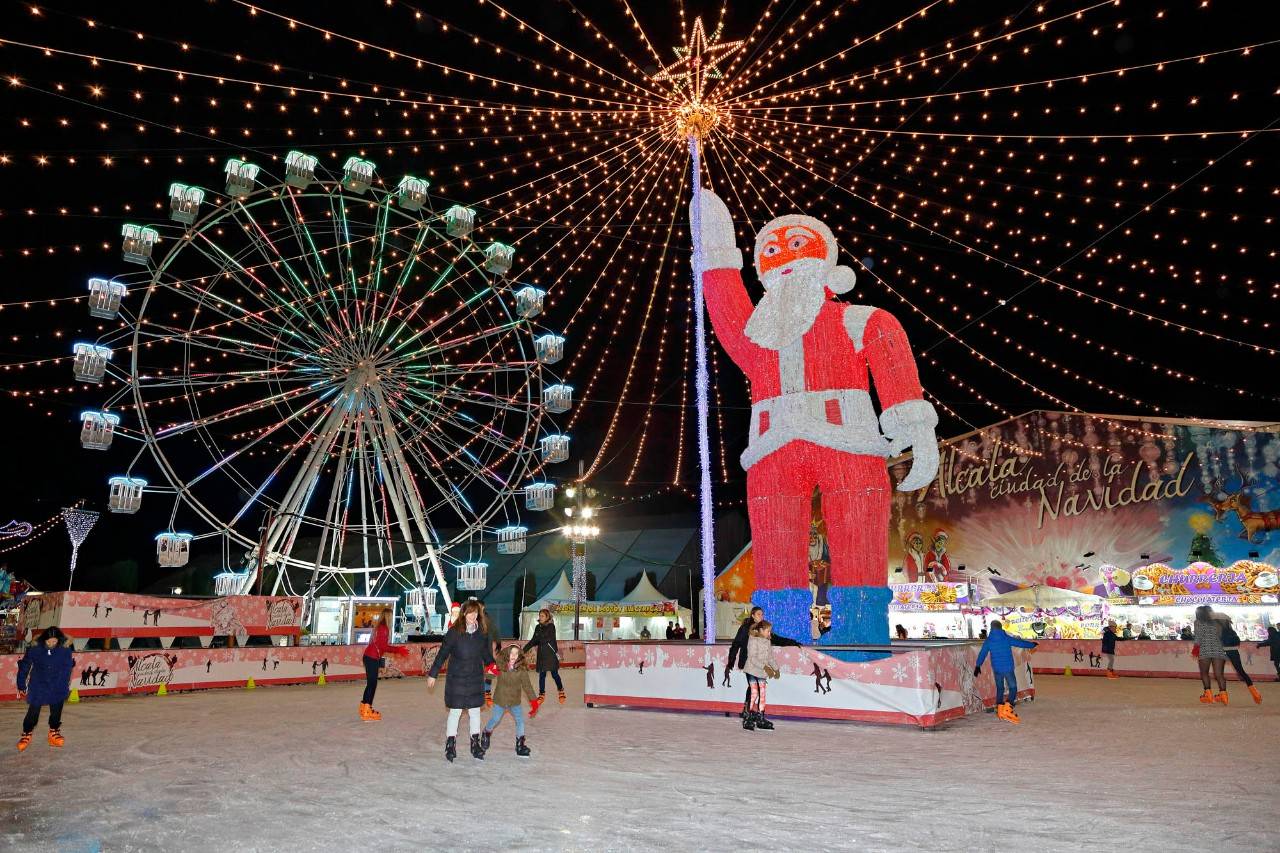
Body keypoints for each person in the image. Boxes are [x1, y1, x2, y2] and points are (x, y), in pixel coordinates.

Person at [428, 600, 497, 762]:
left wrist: (492, 665)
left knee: (474, 712)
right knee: (455, 712)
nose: (473, 616)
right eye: (470, 612)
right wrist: (433, 673)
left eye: (475, 613)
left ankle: (475, 744)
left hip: (474, 677)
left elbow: (485, 654)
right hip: (457, 678)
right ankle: (450, 744)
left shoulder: (481, 633)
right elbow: (442, 654)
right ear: (464, 613)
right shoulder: (454, 633)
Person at [727, 606, 800, 718]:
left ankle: (748, 710)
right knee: (753, 687)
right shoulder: (746, 628)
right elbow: (736, 643)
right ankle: (748, 711)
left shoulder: (764, 629)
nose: (761, 616)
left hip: (761, 663)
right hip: (749, 662)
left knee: (755, 687)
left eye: (762, 614)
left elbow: (776, 639)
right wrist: (731, 661)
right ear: (752, 615)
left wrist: (792, 642)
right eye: (758, 614)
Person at [16, 627, 74, 751]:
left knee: (57, 710)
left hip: (57, 684)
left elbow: (67, 668)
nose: (51, 644)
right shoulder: (35, 650)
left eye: (54, 642)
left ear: (59, 640)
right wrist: (21, 684)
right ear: (44, 640)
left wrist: (64, 684)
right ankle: (27, 733)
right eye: (49, 642)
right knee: (33, 711)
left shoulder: (65, 651)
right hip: (39, 684)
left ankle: (53, 732)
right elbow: (25, 666)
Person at [482, 644, 541, 758]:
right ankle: (486, 732)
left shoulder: (522, 670)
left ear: (519, 655)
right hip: (500, 700)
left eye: (516, 653)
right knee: (495, 719)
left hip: (515, 701)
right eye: (511, 653)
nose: (514, 656)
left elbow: (527, 686)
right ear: (507, 654)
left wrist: (534, 702)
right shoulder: (500, 665)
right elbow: (488, 678)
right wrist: (487, 692)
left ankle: (520, 745)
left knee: (520, 721)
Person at [973, 620, 1036, 724]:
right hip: (1007, 668)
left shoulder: (988, 640)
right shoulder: (1006, 638)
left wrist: (978, 665)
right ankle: (1008, 708)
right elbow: (1020, 643)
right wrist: (1032, 645)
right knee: (1013, 687)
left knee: (1000, 688)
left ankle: (1000, 709)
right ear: (1000, 627)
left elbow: (982, 653)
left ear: (991, 628)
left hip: (997, 669)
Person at [359, 607, 406, 721]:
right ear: (388, 617)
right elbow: (383, 646)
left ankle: (364, 707)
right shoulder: (384, 629)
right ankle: (367, 709)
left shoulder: (379, 627)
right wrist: (398, 650)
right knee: (372, 684)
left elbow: (380, 646)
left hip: (369, 656)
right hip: (372, 658)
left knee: (371, 683)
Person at [741, 620, 779, 731]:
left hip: (762, 672)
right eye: (768, 631)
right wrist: (766, 667)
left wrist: (776, 669)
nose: (769, 634)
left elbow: (770, 657)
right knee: (754, 692)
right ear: (761, 630)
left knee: (762, 694)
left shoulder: (767, 642)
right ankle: (747, 717)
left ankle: (760, 717)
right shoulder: (753, 641)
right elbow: (752, 658)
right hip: (752, 670)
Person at [1217, 613, 1261, 705]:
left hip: (1221, 652)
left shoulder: (1217, 630)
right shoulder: (1232, 631)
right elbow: (1237, 642)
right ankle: (1255, 693)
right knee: (1241, 672)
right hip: (1234, 652)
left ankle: (1223, 696)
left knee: (1219, 674)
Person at [523, 608, 565, 704]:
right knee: (542, 675)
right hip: (542, 655)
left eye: (542, 616)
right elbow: (534, 640)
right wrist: (523, 650)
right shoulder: (538, 627)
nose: (540, 617)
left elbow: (546, 638)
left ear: (547, 617)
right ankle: (541, 694)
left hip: (550, 654)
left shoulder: (551, 626)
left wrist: (538, 638)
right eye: (539, 616)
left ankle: (561, 690)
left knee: (555, 674)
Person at [1193, 605, 1228, 705]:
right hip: (1218, 650)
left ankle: (1208, 694)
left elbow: (1198, 637)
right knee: (1219, 675)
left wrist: (1195, 647)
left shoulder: (1198, 622)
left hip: (1204, 650)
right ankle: (1224, 696)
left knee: (1204, 673)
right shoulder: (1218, 622)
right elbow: (1221, 635)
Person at [477, 600, 502, 709]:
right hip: (476, 651)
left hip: (487, 650)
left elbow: (495, 630)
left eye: (481, 607)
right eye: (478, 607)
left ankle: (487, 693)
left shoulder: (487, 618)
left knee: (490, 670)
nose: (480, 609)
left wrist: (498, 641)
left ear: (483, 607)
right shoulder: (473, 619)